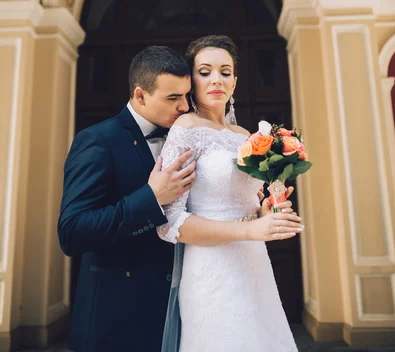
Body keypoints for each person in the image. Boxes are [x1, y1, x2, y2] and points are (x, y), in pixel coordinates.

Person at [157, 35, 302, 352]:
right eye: (205, 71)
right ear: (191, 80)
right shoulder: (185, 128)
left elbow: (247, 202)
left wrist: (267, 213)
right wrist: (250, 229)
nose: (216, 80)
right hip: (211, 267)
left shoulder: (244, 136)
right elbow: (168, 220)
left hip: (253, 261)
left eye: (225, 72)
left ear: (235, 81)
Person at [58, 46, 196, 352]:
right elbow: (72, 232)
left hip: (182, 311)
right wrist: (151, 198)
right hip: (118, 318)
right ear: (140, 95)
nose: (185, 107)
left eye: (186, 96)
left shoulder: (188, 135)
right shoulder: (97, 141)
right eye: (173, 98)